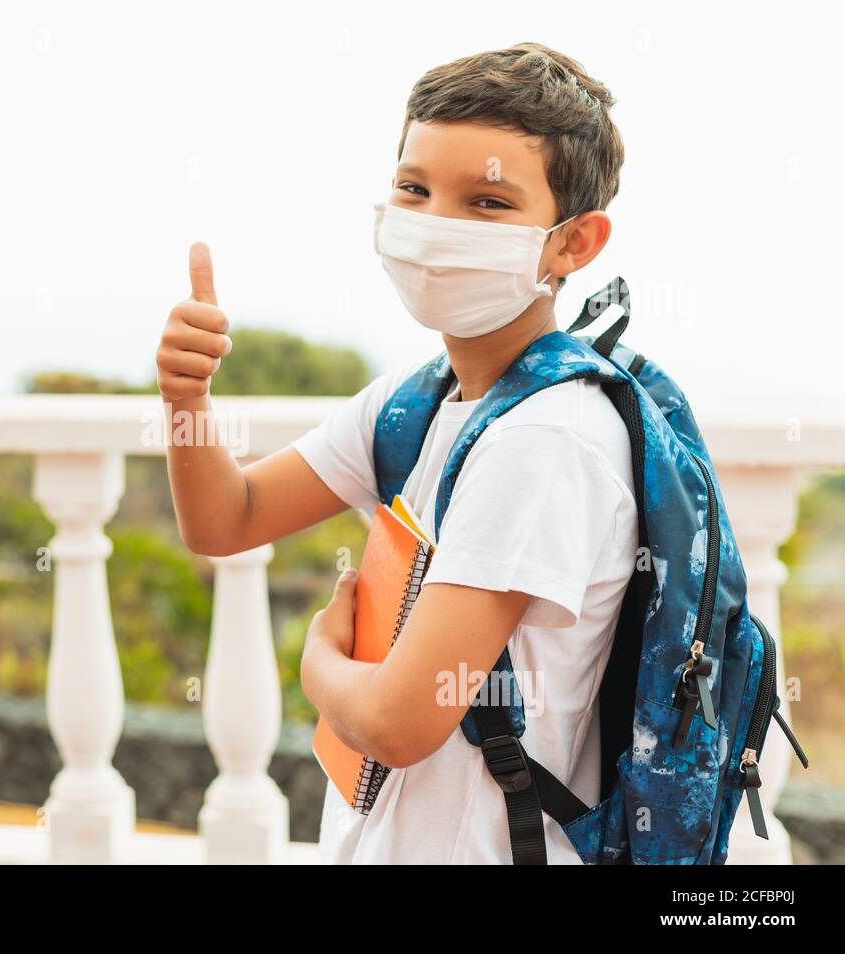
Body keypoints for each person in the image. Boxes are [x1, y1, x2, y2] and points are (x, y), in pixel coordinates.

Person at [156, 42, 632, 863]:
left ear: (573, 243)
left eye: (486, 202)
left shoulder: (544, 440)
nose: (435, 225)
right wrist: (186, 401)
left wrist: (318, 664)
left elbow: (400, 721)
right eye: (414, 189)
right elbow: (225, 520)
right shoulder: (417, 401)